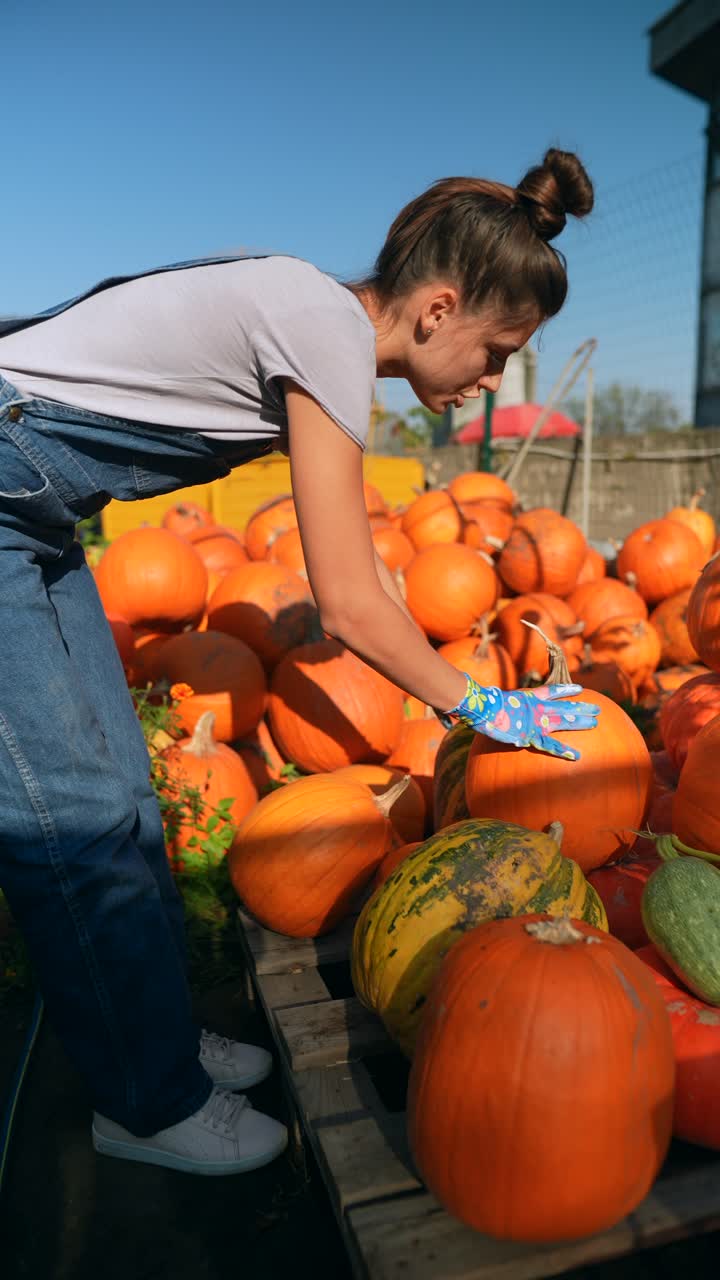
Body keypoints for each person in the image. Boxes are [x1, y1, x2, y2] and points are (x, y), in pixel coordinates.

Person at [0, 146, 599, 1177]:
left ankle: (158, 1038)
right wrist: (488, 706)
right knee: (73, 817)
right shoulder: (322, 328)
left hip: (36, 513)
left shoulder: (312, 317)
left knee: (124, 798)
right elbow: (354, 600)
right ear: (439, 308)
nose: (492, 379)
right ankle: (143, 1103)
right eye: (498, 350)